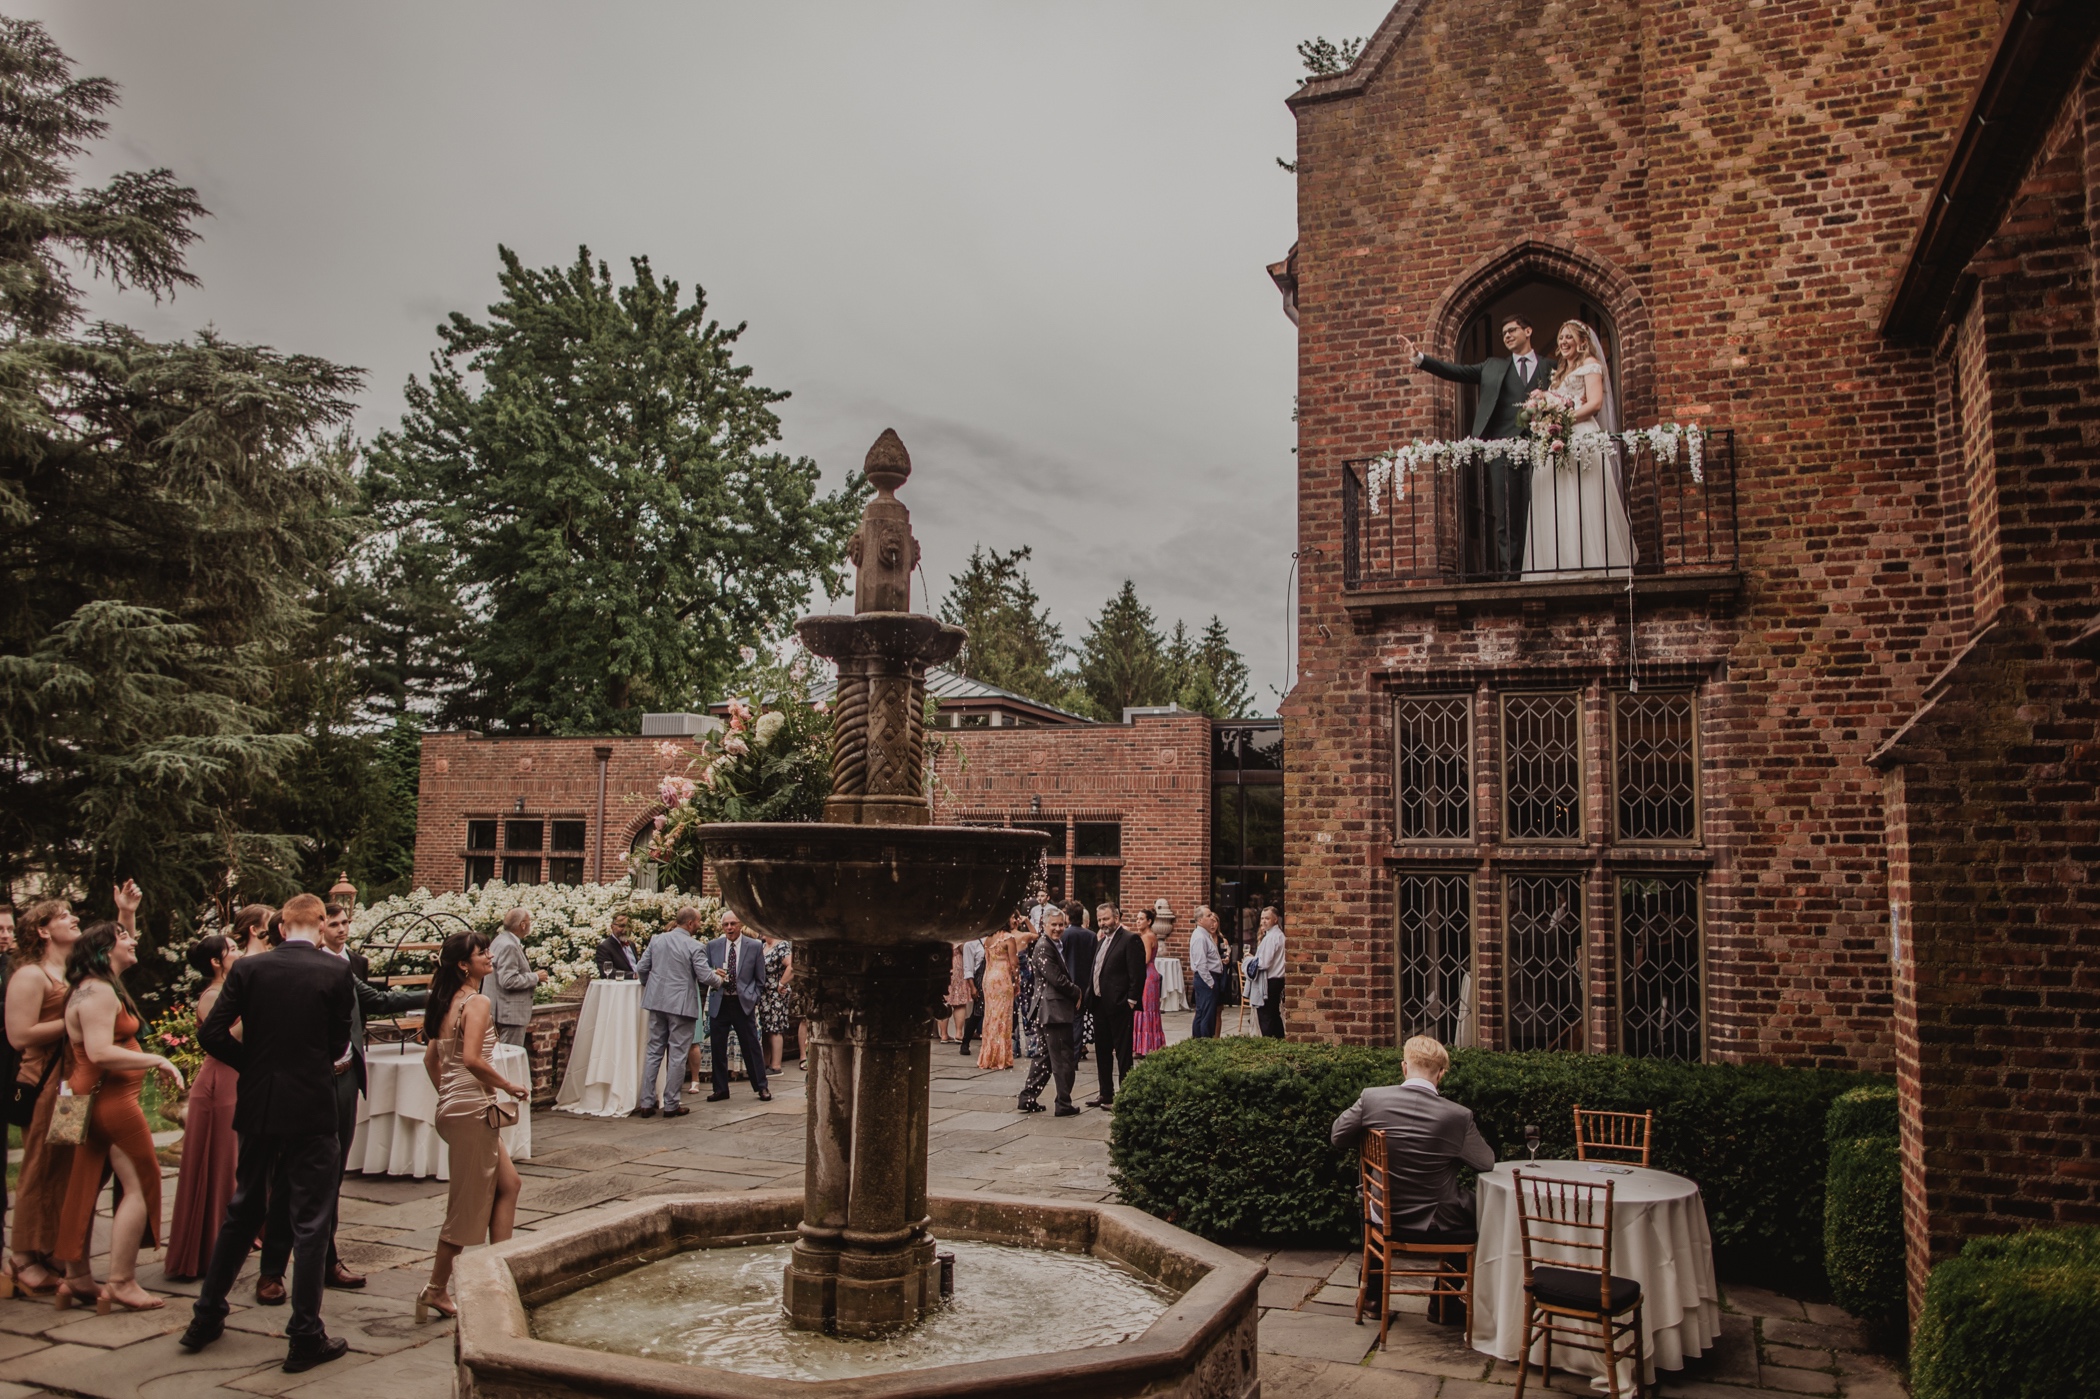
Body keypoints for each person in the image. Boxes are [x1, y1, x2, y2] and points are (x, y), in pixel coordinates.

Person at [180, 894, 356, 1373]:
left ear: (281, 928)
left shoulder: (248, 971)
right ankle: (304, 1333)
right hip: (312, 1105)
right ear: (320, 924)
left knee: (244, 1206)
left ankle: (207, 1315)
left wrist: (255, 1067)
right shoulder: (335, 971)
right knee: (312, 1217)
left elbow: (212, 1033)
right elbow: (339, 1040)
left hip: (260, 1103)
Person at [253, 903, 426, 1299]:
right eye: (331, 923)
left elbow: (376, 1001)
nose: (339, 929)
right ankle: (272, 1270)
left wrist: (437, 993)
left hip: (343, 1079)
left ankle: (327, 1260)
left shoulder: (345, 968)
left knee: (331, 1177)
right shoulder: (289, 969)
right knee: (288, 1176)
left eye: (344, 922)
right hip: (300, 1084)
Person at [52, 921, 184, 1312]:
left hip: (89, 1100)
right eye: (125, 936)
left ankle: (75, 1279)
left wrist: (126, 910)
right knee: (141, 1185)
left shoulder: (89, 987)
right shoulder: (98, 992)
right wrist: (157, 1058)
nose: (134, 940)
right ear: (105, 948)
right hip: (111, 1102)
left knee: (83, 1185)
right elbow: (99, 1052)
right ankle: (121, 1281)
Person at [1329, 1035, 1495, 1325]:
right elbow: (1485, 1162)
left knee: (1371, 1198)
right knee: (1483, 1213)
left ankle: (1371, 1295)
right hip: (1438, 1220)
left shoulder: (1372, 1099)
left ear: (1404, 1068)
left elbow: (1338, 1137)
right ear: (1441, 1074)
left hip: (1382, 1212)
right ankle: (1443, 1300)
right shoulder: (1458, 1116)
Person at [415, 931, 529, 1325]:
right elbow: (471, 1059)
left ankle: (500, 1271)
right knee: (465, 1205)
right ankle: (435, 1288)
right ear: (464, 964)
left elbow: (433, 1060)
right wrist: (507, 1085)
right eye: (482, 953)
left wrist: (449, 1096)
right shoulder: (477, 1001)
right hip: (472, 1110)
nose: (490, 956)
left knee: (509, 1184)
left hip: (457, 1106)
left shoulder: (445, 1002)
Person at [3, 894, 110, 1296]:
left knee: (65, 1165)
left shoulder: (72, 970)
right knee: (39, 1166)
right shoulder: (31, 976)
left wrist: (127, 915)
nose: (74, 918)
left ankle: (51, 1248)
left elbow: (117, 956)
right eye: (64, 915)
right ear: (43, 930)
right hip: (47, 1085)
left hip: (73, 1084)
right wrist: (72, 1022)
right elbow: (18, 1035)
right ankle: (23, 1258)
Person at [1399, 315, 1557, 580]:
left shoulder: (1551, 367)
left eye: (1512, 330)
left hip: (1541, 450)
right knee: (1506, 515)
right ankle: (1512, 575)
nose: (1506, 336)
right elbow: (1456, 372)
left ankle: (1546, 570)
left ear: (1528, 331)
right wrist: (1419, 358)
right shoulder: (1492, 366)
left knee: (1543, 509)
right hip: (1502, 450)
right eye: (1503, 333)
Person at [1524, 320, 1633, 577]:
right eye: (1561, 338)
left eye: (1569, 337)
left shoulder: (1590, 366)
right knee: (1558, 497)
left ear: (1582, 341)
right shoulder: (1558, 374)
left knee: (1583, 495)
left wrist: (1562, 419)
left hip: (1581, 437)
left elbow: (1595, 404)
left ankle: (1591, 563)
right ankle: (1556, 564)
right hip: (1556, 439)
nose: (1563, 342)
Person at [164, 934, 241, 1280]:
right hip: (216, 1083)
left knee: (229, 1161)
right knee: (216, 1160)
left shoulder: (231, 989)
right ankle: (205, 1247)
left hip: (233, 1078)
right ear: (216, 961)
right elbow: (226, 1036)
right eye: (233, 949)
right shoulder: (212, 995)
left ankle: (227, 1238)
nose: (239, 952)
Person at [631, 906, 715, 1119]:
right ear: (690, 923)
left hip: (657, 1002)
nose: (699, 925)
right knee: (677, 1055)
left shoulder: (657, 940)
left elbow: (641, 968)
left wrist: (649, 986)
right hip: (681, 1006)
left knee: (654, 1052)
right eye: (698, 922)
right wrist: (721, 980)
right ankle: (670, 1104)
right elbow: (705, 976)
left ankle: (647, 1103)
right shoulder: (694, 945)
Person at [1016, 909, 1082, 1116]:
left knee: (1044, 1057)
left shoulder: (1052, 944)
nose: (1058, 928)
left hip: (1047, 1009)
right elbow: (1056, 979)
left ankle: (1027, 1098)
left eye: (1061, 924)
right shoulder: (1044, 947)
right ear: (1044, 925)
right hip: (1054, 1011)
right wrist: (1077, 991)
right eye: (1053, 924)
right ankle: (1063, 1104)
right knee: (1063, 1058)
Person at [705, 912, 770, 1102]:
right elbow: (705, 970)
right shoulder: (713, 946)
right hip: (720, 1001)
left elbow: (760, 978)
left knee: (751, 1046)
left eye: (733, 924)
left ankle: (761, 1087)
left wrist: (753, 997)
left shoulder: (754, 946)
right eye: (725, 925)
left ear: (740, 924)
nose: (729, 928)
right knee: (717, 1046)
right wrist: (713, 973)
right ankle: (720, 1089)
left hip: (743, 1003)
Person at [1086, 903, 1145, 1110]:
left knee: (1123, 1053)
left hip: (1120, 1006)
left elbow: (1137, 974)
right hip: (1100, 1004)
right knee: (1102, 1051)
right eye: (1100, 920)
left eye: (1106, 919)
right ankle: (1106, 1094)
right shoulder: (1102, 941)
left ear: (1117, 918)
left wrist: (1130, 1001)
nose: (1102, 923)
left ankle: (1125, 1097)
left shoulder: (1130, 939)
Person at [481, 907, 545, 1048]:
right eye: (529, 921)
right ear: (522, 925)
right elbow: (508, 980)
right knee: (509, 1058)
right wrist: (535, 977)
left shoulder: (499, 940)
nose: (529, 925)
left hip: (500, 1010)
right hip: (510, 1015)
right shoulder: (509, 946)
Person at [976, 914, 1028, 1072]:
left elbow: (987, 960)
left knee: (990, 1016)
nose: (1015, 921)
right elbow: (1014, 963)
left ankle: (988, 1056)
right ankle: (1000, 1058)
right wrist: (1017, 981)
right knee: (1003, 1017)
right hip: (1002, 978)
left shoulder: (988, 938)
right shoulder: (1008, 938)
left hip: (989, 978)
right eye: (1012, 918)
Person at [1060, 900, 1096, 1063]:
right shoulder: (1091, 936)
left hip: (1066, 983)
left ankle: (1065, 1054)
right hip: (1084, 985)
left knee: (1064, 1020)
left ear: (1067, 917)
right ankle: (1074, 1055)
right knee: (1078, 1020)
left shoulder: (1064, 935)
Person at [1188, 906, 1224, 1040]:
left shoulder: (1204, 935)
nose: (1211, 919)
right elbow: (1201, 963)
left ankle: (1199, 1040)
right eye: (1208, 916)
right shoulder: (1200, 937)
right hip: (1206, 978)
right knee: (1206, 1014)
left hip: (1208, 977)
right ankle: (1204, 1041)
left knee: (1203, 1012)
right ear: (1200, 920)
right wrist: (1210, 982)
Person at [1133, 908, 1165, 1057]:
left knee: (1144, 1010)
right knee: (1149, 1010)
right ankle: (1152, 1044)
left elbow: (1144, 959)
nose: (1138, 921)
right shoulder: (1151, 935)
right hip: (1152, 973)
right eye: (1137, 918)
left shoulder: (1146, 936)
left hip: (1147, 975)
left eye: (1141, 918)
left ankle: (1143, 1047)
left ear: (1149, 921)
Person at [758, 931, 792, 1073]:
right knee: (766, 1028)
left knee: (775, 1027)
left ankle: (776, 1065)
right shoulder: (763, 946)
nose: (760, 933)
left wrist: (781, 984)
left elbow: (791, 966)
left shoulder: (781, 945)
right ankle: (765, 1062)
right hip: (764, 994)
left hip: (776, 993)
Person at [1254, 907, 1288, 1039]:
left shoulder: (1272, 937)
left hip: (1270, 980)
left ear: (1275, 920)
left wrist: (1250, 961)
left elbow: (1264, 963)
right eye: (1262, 918)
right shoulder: (1278, 935)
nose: (1263, 921)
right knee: (1274, 1014)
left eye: (1267, 918)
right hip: (1277, 980)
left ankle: (1268, 1043)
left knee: (1266, 1015)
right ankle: (1279, 1040)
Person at [958, 935, 987, 1056]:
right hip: (979, 979)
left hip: (993, 977)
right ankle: (965, 1042)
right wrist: (972, 987)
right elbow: (968, 968)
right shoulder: (970, 943)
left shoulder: (992, 938)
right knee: (978, 1011)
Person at [942, 941, 972, 1044]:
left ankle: (943, 1034)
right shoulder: (956, 927)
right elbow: (962, 948)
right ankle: (959, 1034)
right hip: (956, 963)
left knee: (943, 999)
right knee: (959, 1001)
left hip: (942, 962)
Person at [594, 914, 640, 980]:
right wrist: (633, 975)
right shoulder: (604, 947)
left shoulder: (631, 944)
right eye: (622, 926)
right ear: (612, 927)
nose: (626, 930)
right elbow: (607, 973)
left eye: (629, 926)